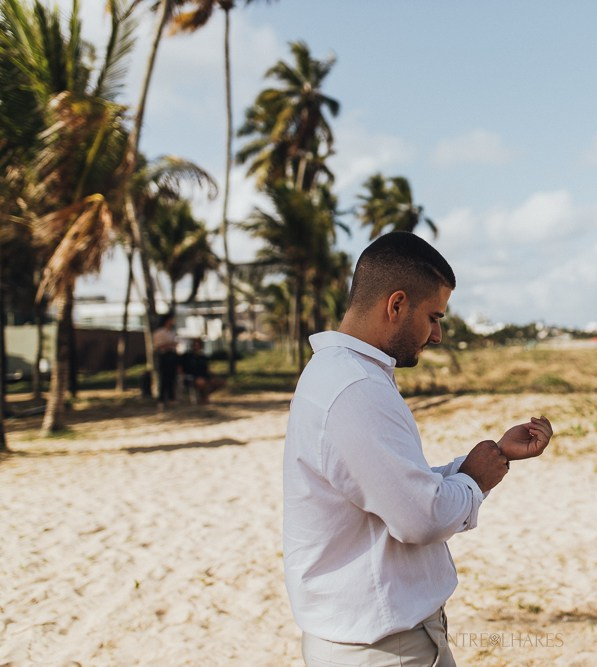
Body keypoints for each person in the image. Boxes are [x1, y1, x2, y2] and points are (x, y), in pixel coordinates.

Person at [283, 232, 553, 667]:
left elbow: (393, 488)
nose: (438, 335)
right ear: (396, 305)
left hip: (373, 637)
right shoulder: (355, 388)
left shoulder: (341, 374)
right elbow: (419, 518)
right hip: (382, 648)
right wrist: (476, 480)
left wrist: (490, 457)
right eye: (433, 316)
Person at [179, 339, 225, 404]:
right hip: (191, 376)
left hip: (204, 376)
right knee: (201, 382)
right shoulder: (187, 356)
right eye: (195, 345)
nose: (196, 347)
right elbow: (180, 368)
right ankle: (204, 398)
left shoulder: (203, 357)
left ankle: (203, 396)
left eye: (198, 345)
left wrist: (213, 374)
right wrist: (183, 375)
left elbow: (207, 369)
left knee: (220, 382)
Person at [152, 311, 179, 404]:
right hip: (163, 356)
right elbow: (157, 346)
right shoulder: (159, 332)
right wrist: (170, 344)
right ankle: (161, 399)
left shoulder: (172, 332)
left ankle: (171, 398)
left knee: (172, 377)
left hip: (172, 356)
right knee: (163, 378)